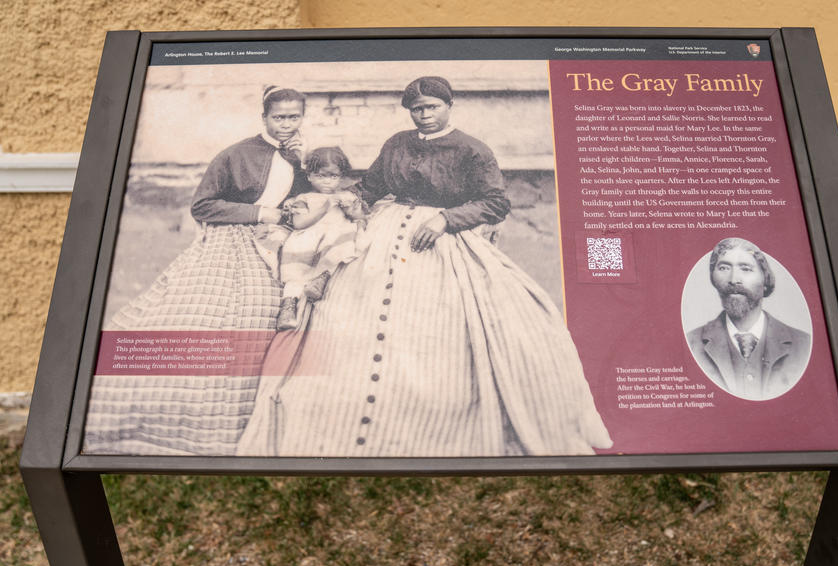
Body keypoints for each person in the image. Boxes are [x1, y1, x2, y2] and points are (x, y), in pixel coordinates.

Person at [237, 76, 612, 457]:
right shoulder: (397, 143)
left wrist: (445, 221)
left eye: (432, 107)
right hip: (383, 234)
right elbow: (373, 185)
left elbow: (494, 202)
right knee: (342, 306)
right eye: (417, 109)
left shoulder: (473, 150)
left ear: (449, 106)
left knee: (469, 326)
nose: (424, 115)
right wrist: (349, 200)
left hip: (445, 240)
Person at [83, 86, 313, 455]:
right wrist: (259, 213)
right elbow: (202, 205)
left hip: (278, 242)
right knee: (228, 316)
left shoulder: (298, 155)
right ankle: (198, 424)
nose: (287, 124)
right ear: (265, 118)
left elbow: (304, 200)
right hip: (232, 243)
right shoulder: (236, 154)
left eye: (294, 117)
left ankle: (258, 426)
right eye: (280, 117)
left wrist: (300, 168)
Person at [252, 146, 367, 330]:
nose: (328, 182)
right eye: (321, 176)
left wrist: (352, 210)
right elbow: (299, 223)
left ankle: (322, 277)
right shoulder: (304, 198)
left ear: (341, 177)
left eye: (333, 176)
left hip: (333, 236)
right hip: (308, 235)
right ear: (310, 176)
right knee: (296, 265)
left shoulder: (345, 196)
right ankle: (288, 306)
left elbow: (359, 217)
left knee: (344, 239)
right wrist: (325, 206)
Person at [686, 237, 811, 400]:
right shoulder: (692, 343)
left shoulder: (803, 345)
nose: (733, 280)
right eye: (723, 268)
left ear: (765, 279)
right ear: (713, 278)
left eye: (745, 268)